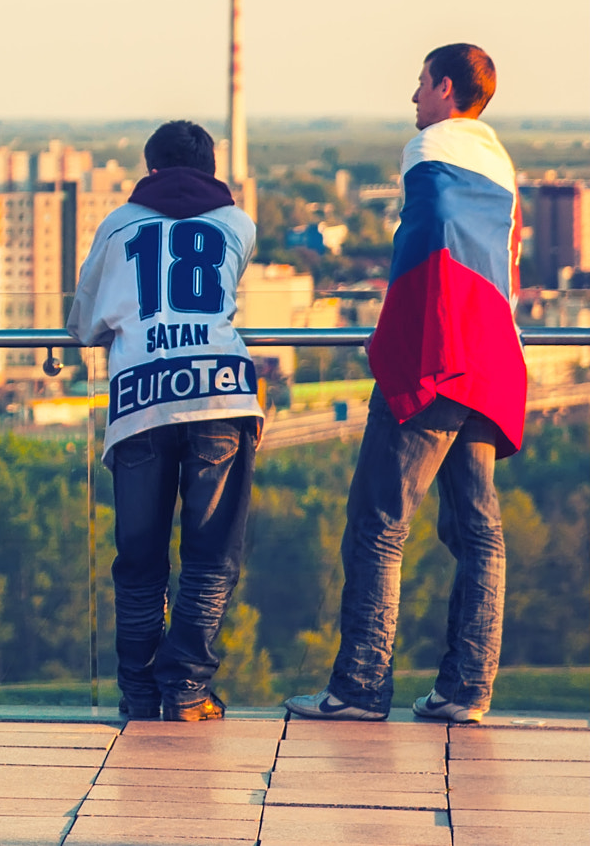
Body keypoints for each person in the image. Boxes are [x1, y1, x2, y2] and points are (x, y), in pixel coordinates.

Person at [289, 44, 525, 724]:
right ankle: (465, 690)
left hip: (438, 355)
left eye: (421, 83)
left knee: (378, 522)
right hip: (491, 357)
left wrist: (394, 342)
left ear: (446, 88)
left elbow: (427, 247)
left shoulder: (431, 147)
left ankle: (361, 687)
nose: (413, 97)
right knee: (479, 531)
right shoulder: (501, 159)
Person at [67, 121, 261, 722]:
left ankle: (138, 690)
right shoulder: (238, 223)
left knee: (140, 557)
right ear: (210, 169)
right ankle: (186, 690)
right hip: (220, 396)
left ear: (149, 170)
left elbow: (86, 324)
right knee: (209, 555)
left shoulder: (118, 224)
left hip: (141, 402)